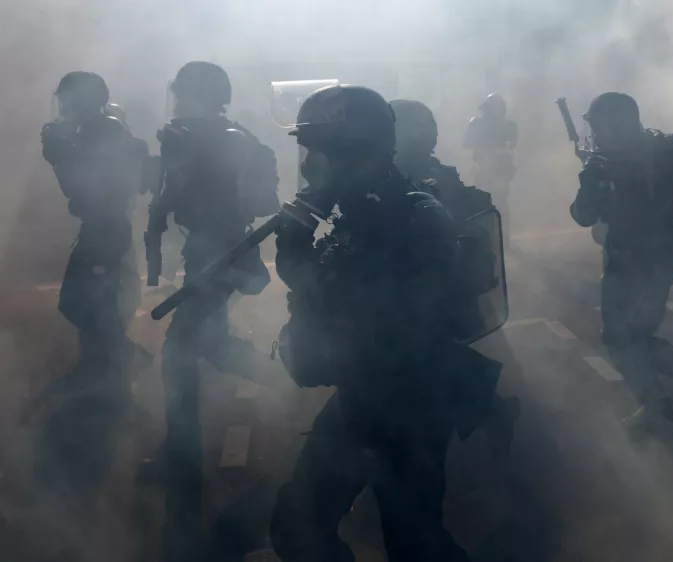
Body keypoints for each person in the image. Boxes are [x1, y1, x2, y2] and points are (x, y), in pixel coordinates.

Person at [269, 85, 503, 562]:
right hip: (364, 399)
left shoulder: (413, 217)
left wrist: (301, 256)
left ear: (354, 150)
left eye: (318, 149)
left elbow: (382, 325)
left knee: (413, 541)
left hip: (406, 408)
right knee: (300, 526)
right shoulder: (359, 209)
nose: (309, 163)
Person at [145, 61, 280, 562]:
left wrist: (172, 158)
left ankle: (180, 452)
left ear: (192, 94)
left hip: (215, 251)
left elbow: (179, 193)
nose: (177, 99)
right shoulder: (234, 132)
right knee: (205, 343)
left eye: (182, 91)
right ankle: (179, 449)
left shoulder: (193, 135)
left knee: (182, 351)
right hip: (219, 248)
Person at [36, 70, 147, 559]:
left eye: (66, 99)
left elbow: (80, 187)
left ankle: (119, 362)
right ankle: (107, 368)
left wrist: (59, 152)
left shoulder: (102, 133)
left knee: (80, 302)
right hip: (105, 227)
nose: (61, 107)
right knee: (88, 305)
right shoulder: (103, 129)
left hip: (105, 228)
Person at [569, 91, 673, 425]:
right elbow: (586, 215)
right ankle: (663, 395)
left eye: (601, 126)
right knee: (628, 336)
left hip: (646, 260)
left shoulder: (659, 155)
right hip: (630, 257)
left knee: (624, 337)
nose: (597, 133)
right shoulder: (637, 155)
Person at [391, 97, 520, 456]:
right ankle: (492, 410)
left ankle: (490, 410)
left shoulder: (422, 177)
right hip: (418, 292)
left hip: (424, 292)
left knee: (415, 360)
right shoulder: (425, 172)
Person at [464, 93, 517, 247]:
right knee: (482, 204)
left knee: (500, 203)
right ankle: (487, 241)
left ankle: (503, 239)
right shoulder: (476, 124)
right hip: (483, 169)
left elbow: (510, 147)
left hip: (500, 170)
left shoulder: (509, 125)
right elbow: (467, 143)